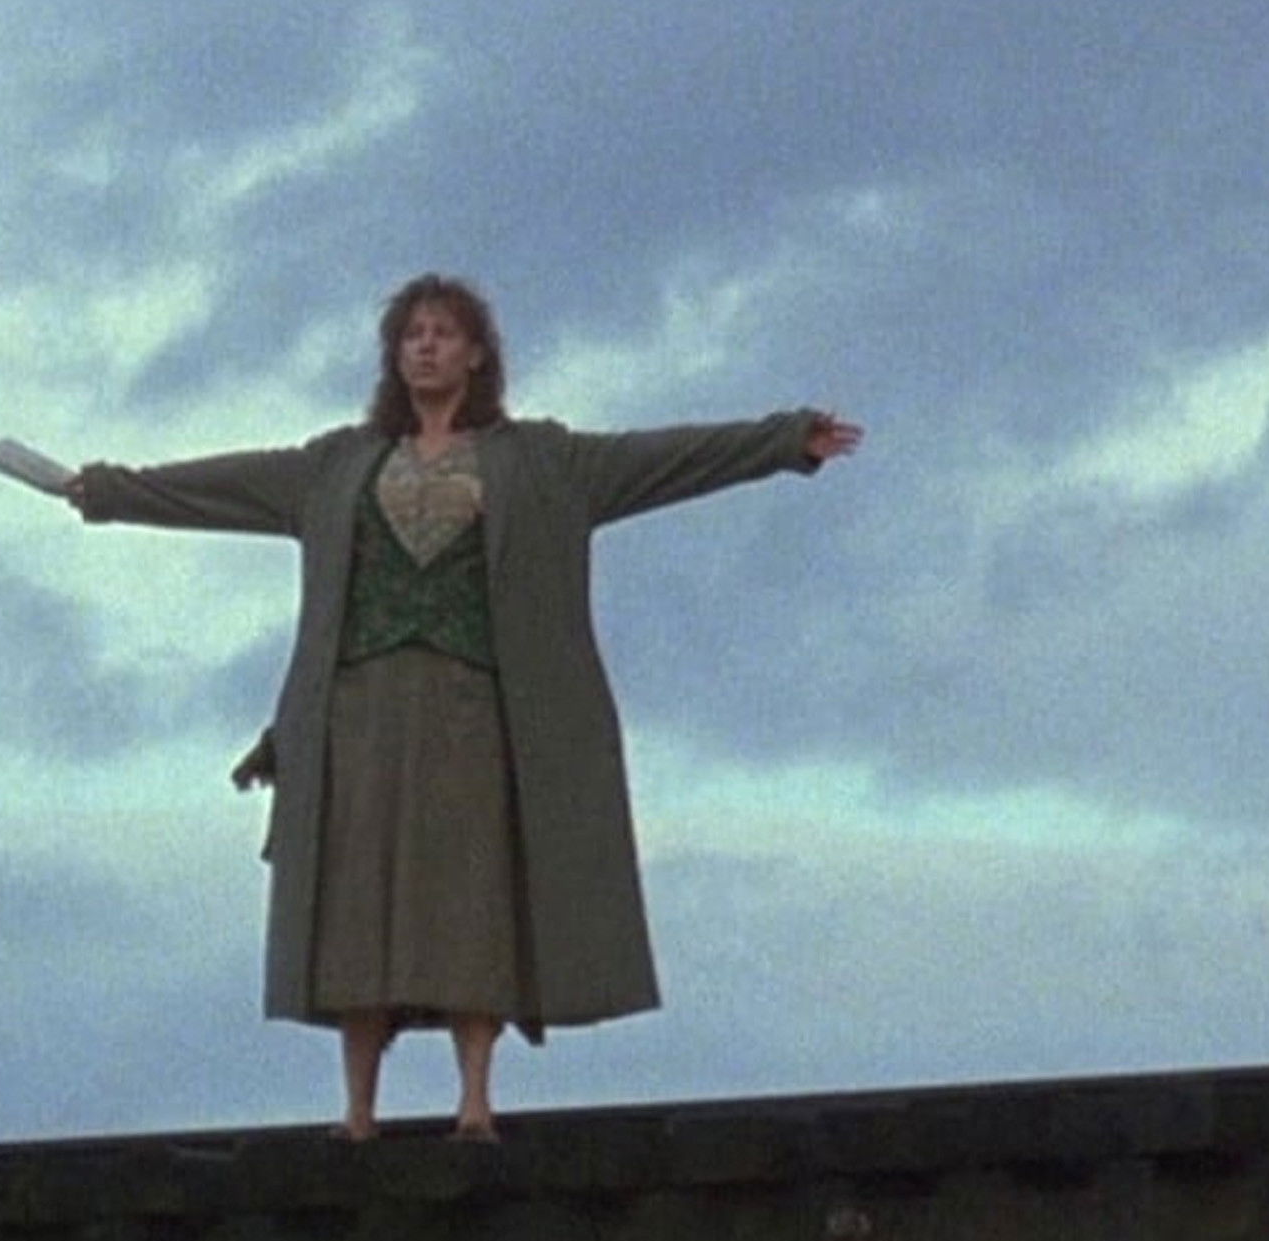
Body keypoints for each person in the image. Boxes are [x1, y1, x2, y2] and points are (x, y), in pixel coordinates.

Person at [56, 275, 860, 1137]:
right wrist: (108, 491)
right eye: (412, 336)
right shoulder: (337, 465)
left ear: (476, 353)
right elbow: (220, 487)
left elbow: (665, 459)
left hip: (474, 714)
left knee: (473, 904)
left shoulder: (542, 462)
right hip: (359, 718)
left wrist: (784, 441)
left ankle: (475, 1099)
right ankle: (358, 1111)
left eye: (442, 333)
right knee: (355, 908)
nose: (426, 347)